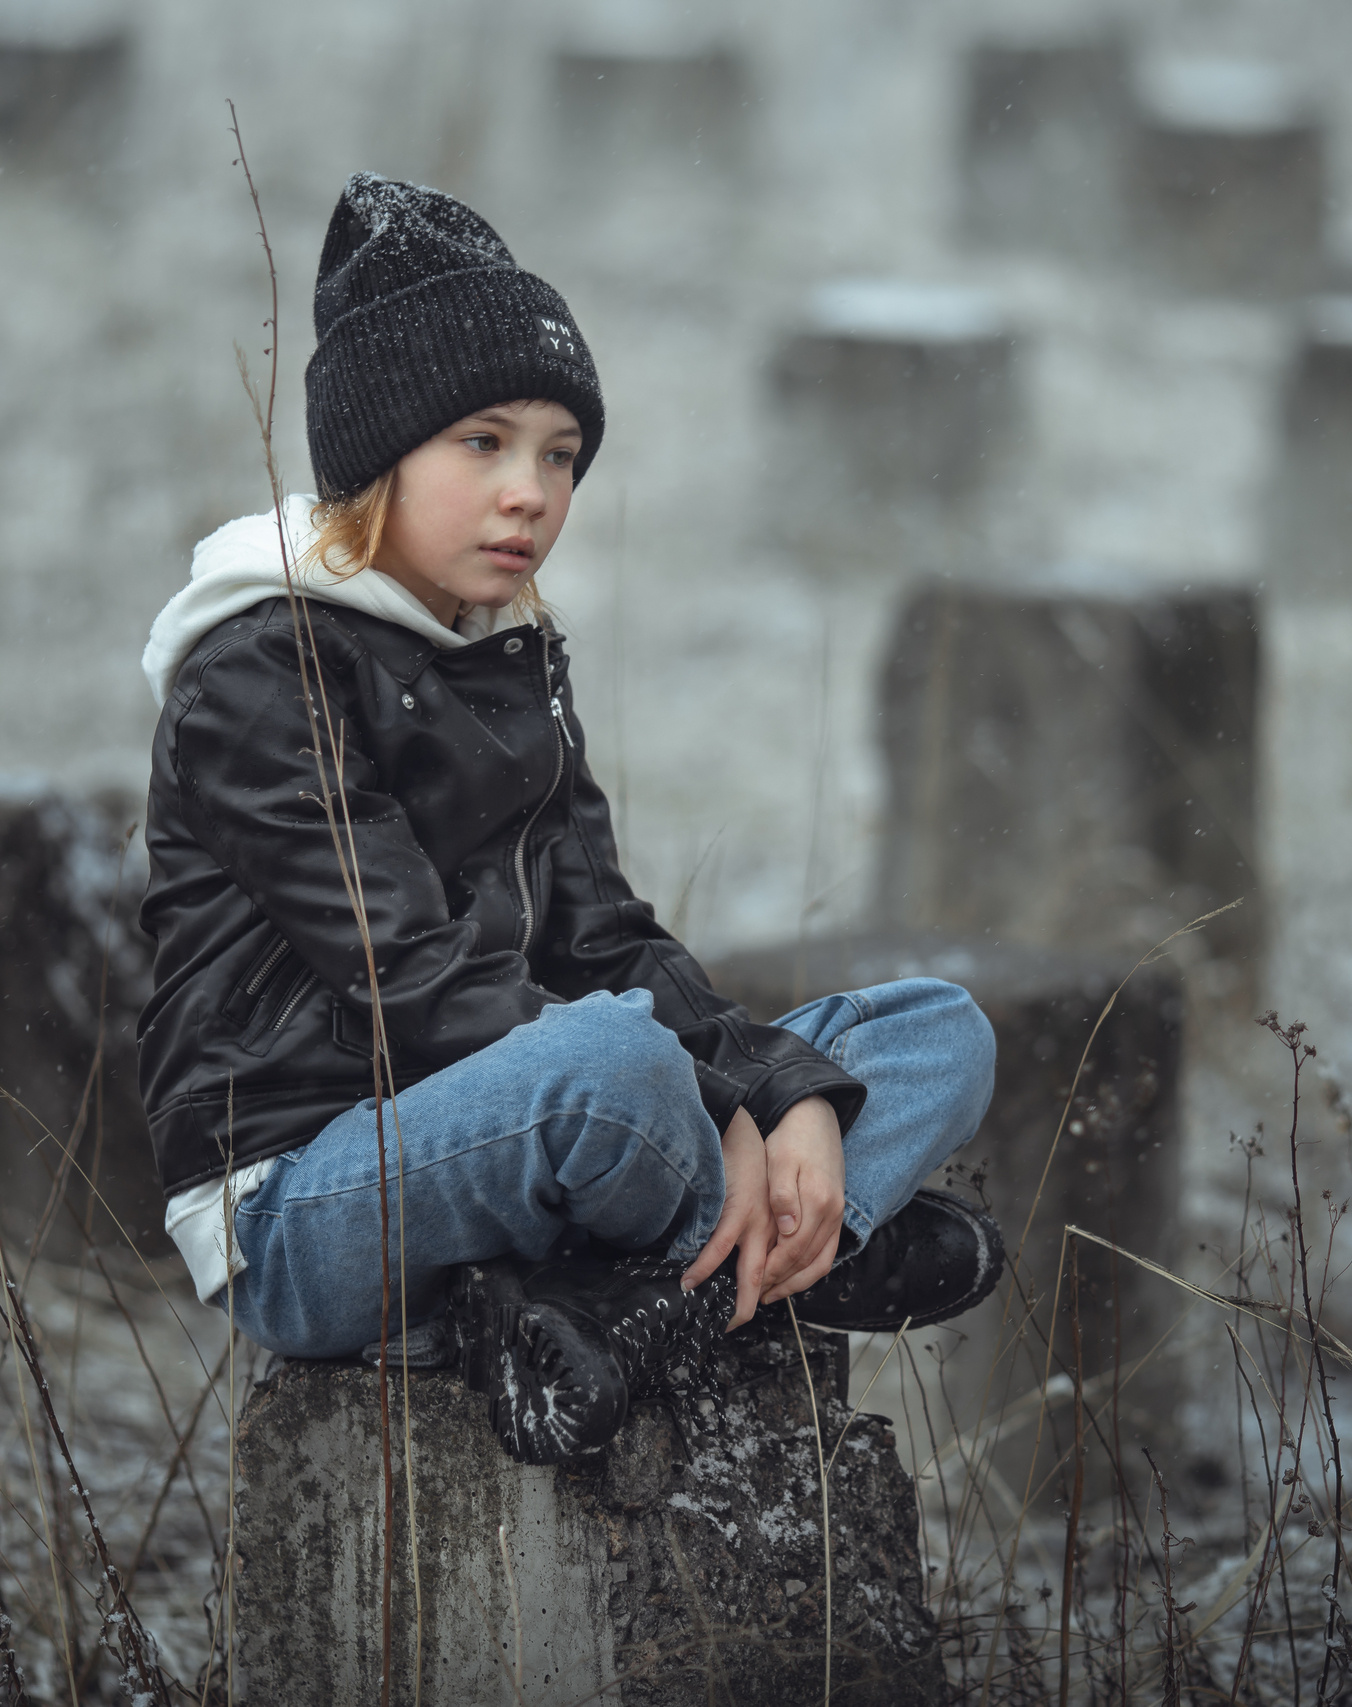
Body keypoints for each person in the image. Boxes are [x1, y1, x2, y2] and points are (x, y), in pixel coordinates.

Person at [135, 174, 1004, 1467]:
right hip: (313, 1200)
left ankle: (643, 1296)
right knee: (615, 1069)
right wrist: (729, 1112)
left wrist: (788, 1092)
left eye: (560, 454)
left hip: (523, 1126)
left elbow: (605, 937)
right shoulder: (260, 674)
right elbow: (415, 985)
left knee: (936, 1030)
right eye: (483, 443)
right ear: (382, 453)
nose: (530, 492)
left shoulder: (510, 654)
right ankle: (811, 1254)